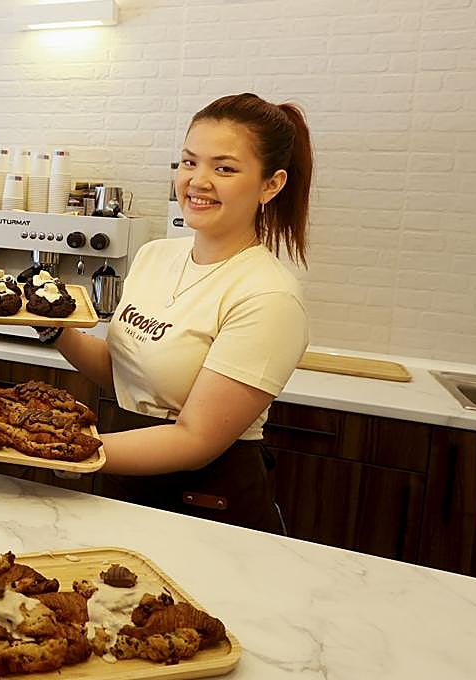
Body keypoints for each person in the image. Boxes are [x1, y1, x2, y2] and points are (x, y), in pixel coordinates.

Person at [37, 93, 313, 533]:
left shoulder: (268, 295)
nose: (198, 181)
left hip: (207, 507)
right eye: (189, 162)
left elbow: (196, 440)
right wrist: (54, 328)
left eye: (224, 168)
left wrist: (62, 449)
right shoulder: (155, 256)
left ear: (270, 185)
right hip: (124, 480)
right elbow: (123, 372)